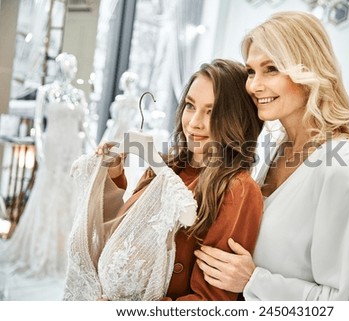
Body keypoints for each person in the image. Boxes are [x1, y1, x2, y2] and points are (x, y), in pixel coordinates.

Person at [194, 11, 349, 301]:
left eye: (271, 69)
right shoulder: (276, 149)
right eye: (251, 71)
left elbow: (345, 301)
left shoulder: (340, 163)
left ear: (308, 71)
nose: (254, 85)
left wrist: (253, 280)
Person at [63, 59, 264, 300]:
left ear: (237, 119)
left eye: (212, 111)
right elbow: (123, 240)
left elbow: (211, 302)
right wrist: (115, 176)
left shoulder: (237, 189)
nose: (194, 123)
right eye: (190, 106)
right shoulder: (166, 166)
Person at [0, 52, 93, 279]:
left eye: (74, 65)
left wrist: (93, 150)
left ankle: (65, 252)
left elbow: (86, 126)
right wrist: (40, 150)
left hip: (72, 149)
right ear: (60, 67)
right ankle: (43, 250)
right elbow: (38, 125)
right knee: (48, 194)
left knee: (69, 197)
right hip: (52, 148)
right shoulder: (46, 92)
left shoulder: (79, 95)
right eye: (68, 65)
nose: (71, 69)